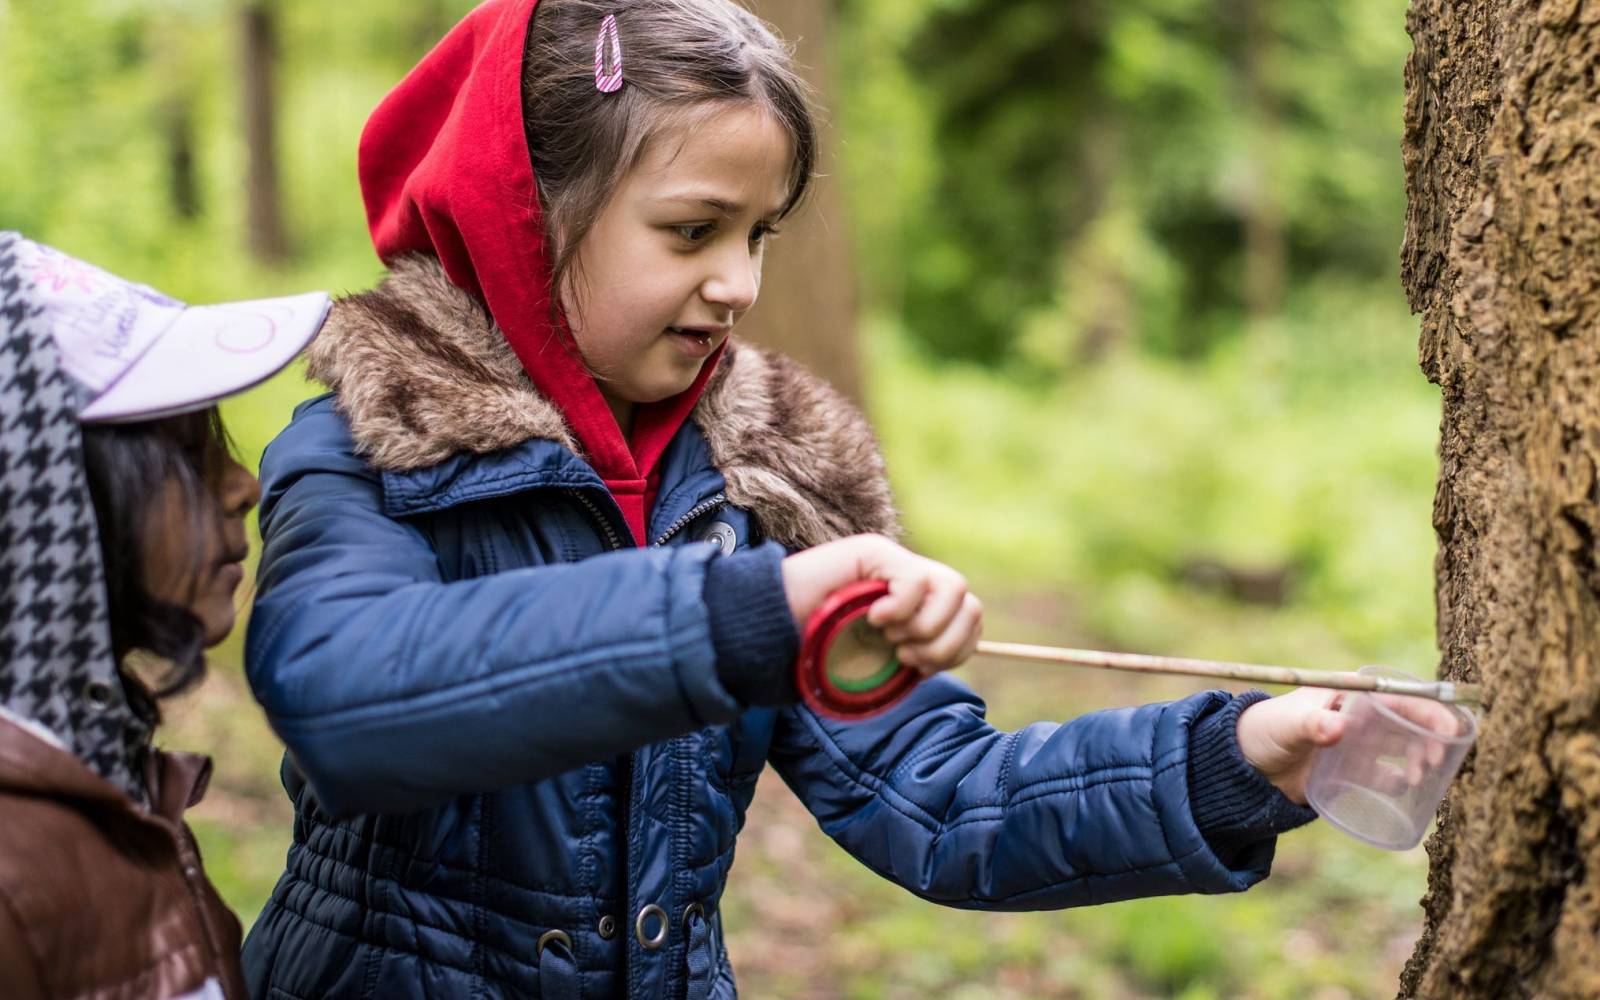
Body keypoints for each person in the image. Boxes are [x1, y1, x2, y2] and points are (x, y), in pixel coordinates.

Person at [239, 2, 1349, 996]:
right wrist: (743, 615)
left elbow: (940, 796)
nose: (739, 283)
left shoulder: (762, 484)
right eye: (691, 230)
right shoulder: (373, 447)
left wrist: (1234, 757)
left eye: (758, 234)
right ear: (521, 212)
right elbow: (347, 697)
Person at [0, 232, 329, 999]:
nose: (244, 484)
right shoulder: (19, 862)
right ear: (41, 498)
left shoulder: (93, 780)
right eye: (183, 452)